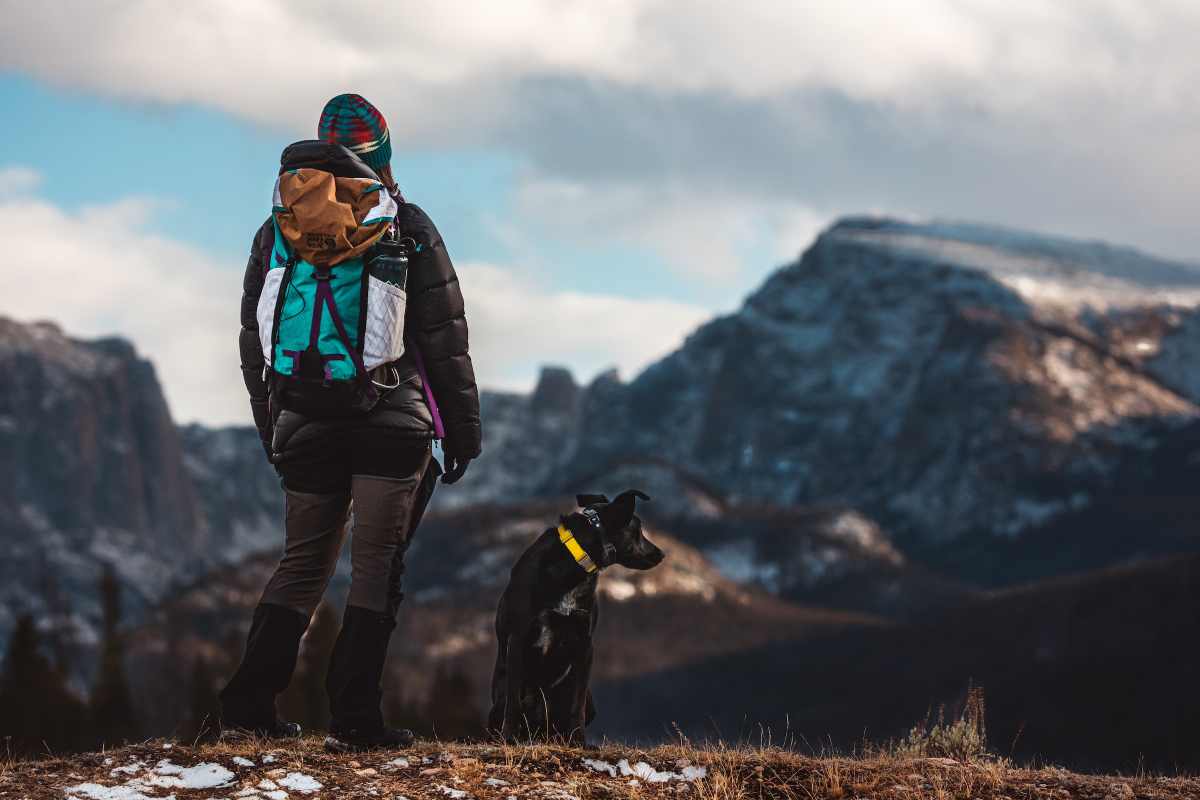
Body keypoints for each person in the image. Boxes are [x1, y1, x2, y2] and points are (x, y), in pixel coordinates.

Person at [219, 94, 482, 751]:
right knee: (375, 569)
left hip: (303, 420)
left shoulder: (277, 227)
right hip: (392, 424)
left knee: (302, 565)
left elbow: (256, 341)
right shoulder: (408, 224)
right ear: (384, 156)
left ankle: (248, 706)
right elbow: (443, 337)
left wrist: (271, 427)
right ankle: (356, 720)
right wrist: (464, 432)